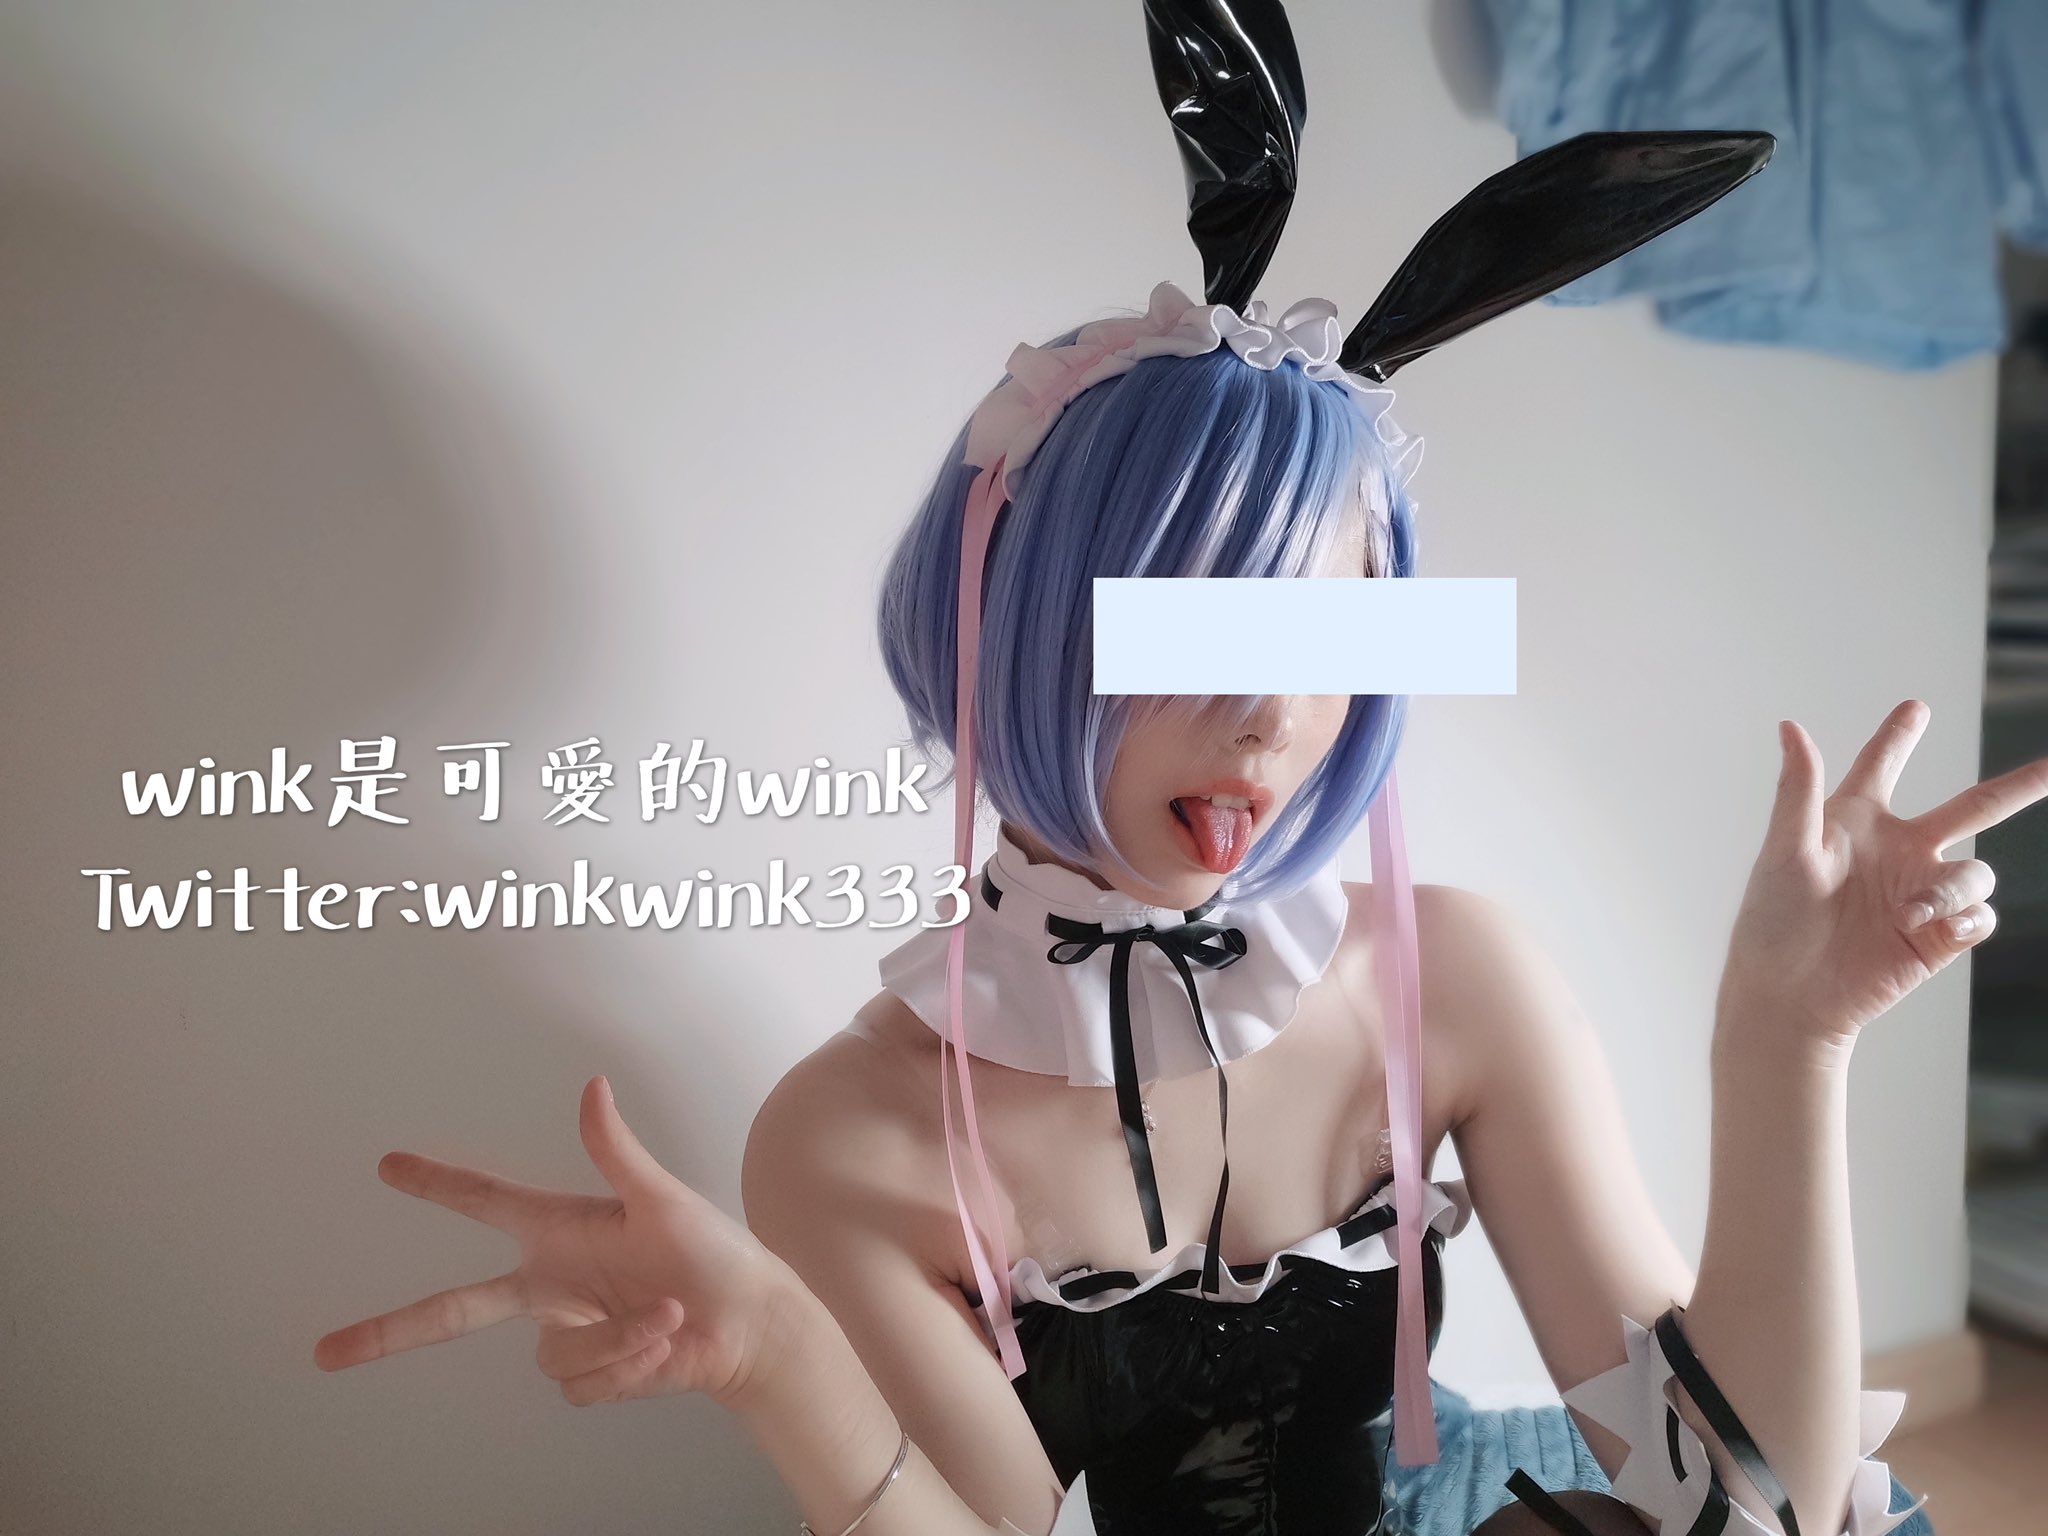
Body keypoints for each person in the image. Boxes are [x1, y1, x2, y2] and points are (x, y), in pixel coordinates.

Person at [313, 9, 2047, 1532]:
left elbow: (1740, 1505)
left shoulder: (1455, 979)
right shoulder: (846, 1139)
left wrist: (1785, 1043)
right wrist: (776, 1357)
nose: (1273, 722)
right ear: (1026, 624)